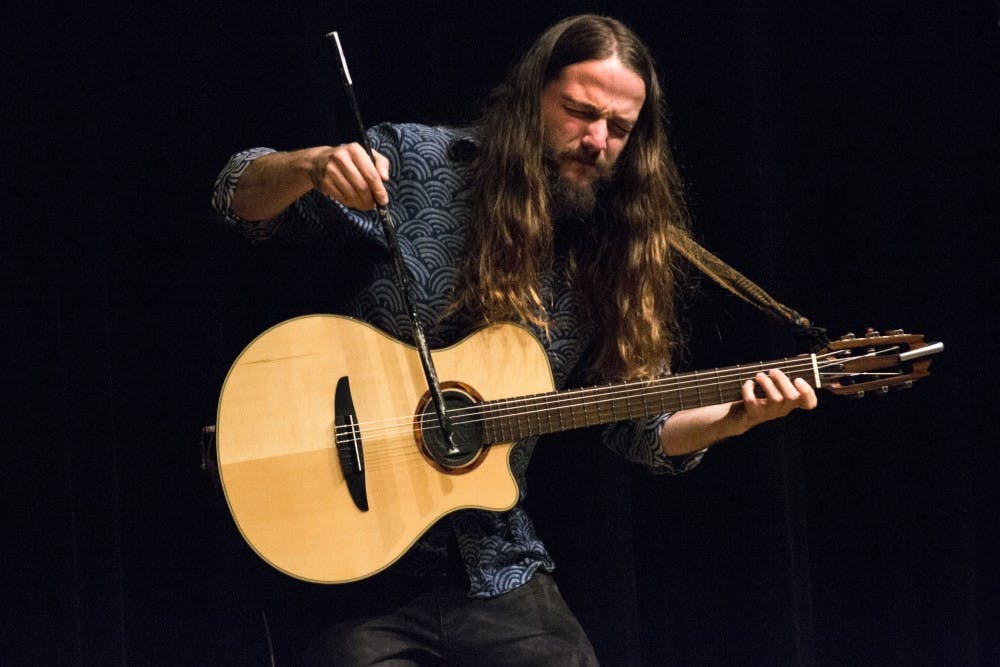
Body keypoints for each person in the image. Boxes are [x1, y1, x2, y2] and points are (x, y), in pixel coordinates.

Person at [212, 13, 817, 666]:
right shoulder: (416, 163)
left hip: (493, 563)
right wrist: (314, 165)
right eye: (580, 112)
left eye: (619, 128)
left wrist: (735, 415)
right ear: (533, 97)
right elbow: (236, 198)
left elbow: (642, 425)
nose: (596, 139)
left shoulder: (611, 252)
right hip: (350, 564)